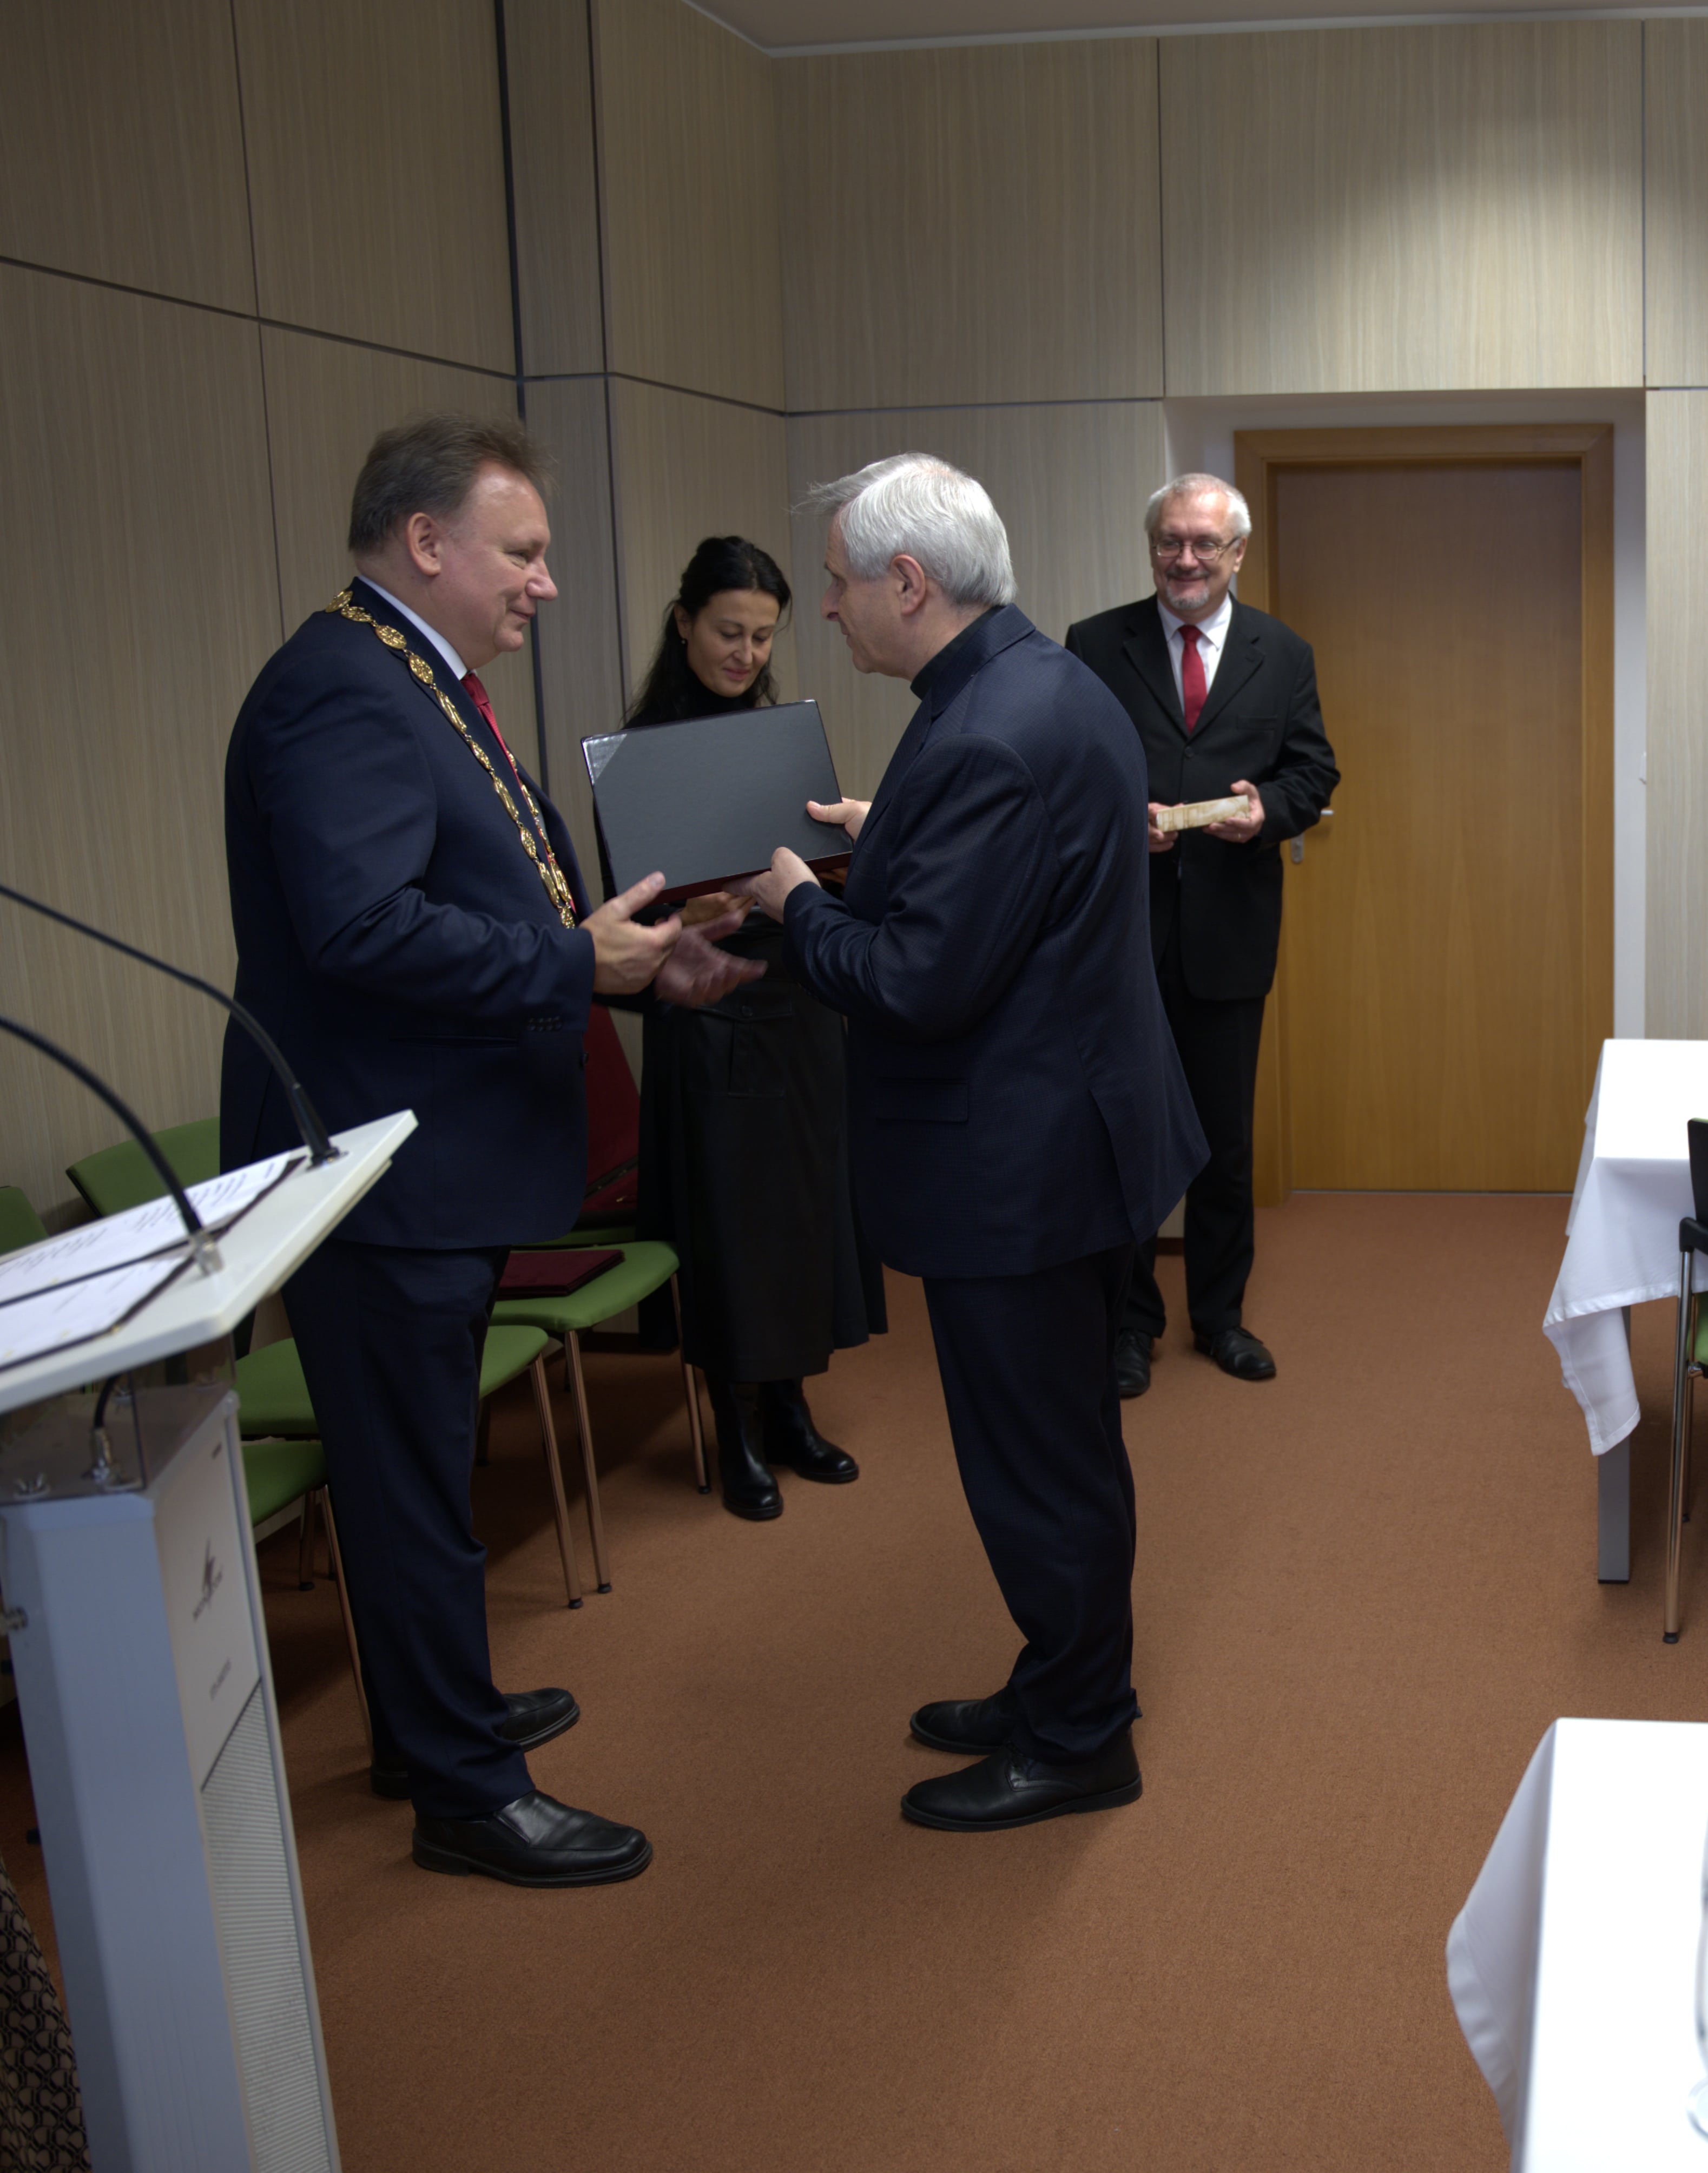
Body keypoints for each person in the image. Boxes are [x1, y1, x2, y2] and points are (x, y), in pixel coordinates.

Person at [221, 414, 761, 1888]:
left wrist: (636, 960)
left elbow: (487, 898)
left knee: (423, 1472)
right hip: (381, 1169)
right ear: (425, 542)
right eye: (522, 553)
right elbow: (362, 930)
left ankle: (427, 1720)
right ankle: (464, 1791)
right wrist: (577, 964)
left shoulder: (413, 679)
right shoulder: (341, 689)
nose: (546, 583)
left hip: (435, 1159)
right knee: (406, 1485)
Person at [741, 455, 1205, 1833]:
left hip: (1018, 1166)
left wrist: (792, 902)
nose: (827, 607)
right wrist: (887, 837)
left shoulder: (983, 733)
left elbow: (912, 982)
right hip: (1075, 1134)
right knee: (1063, 1449)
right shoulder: (1045, 682)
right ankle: (1067, 1682)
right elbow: (1022, 867)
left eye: (837, 582)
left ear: (907, 582)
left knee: (1036, 1467)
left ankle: (1078, 1738)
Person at [619, 537, 885, 1520]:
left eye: (763, 636)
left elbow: (815, 865)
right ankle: (729, 1424)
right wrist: (686, 916)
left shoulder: (780, 741)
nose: (744, 652)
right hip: (707, 1007)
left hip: (796, 997)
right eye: (728, 631)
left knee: (801, 1211)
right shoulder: (641, 754)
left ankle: (788, 1408)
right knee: (728, 1224)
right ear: (683, 622)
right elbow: (622, 917)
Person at [1065, 473, 1339, 1397]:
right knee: (1125, 1140)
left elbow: (1314, 771)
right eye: (1169, 541)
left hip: (1229, 935)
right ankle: (1128, 1326)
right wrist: (1117, 821)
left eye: (1203, 544)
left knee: (1223, 1145)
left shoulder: (1282, 652)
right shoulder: (1093, 644)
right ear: (1152, 547)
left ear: (1236, 553)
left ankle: (1220, 1319)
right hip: (1117, 935)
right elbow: (1060, 769)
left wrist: (1267, 813)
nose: (1185, 559)